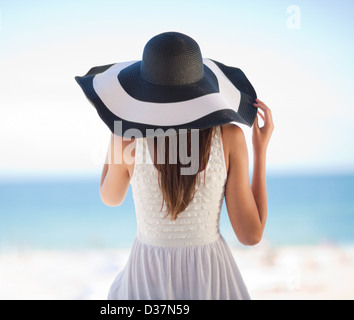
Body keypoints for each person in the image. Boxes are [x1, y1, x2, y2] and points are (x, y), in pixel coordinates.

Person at [75, 32, 274, 299]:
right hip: (209, 278)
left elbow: (110, 197)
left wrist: (115, 126)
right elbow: (251, 235)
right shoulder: (230, 137)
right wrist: (260, 151)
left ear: (145, 89)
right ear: (201, 87)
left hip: (147, 278)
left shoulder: (127, 137)